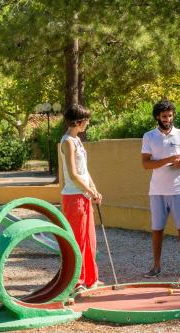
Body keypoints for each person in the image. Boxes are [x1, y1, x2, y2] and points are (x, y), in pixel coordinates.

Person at [141, 100, 180, 278]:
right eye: (164, 116)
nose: (168, 119)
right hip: (157, 190)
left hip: (178, 189)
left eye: (170, 116)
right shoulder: (149, 136)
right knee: (157, 229)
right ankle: (156, 266)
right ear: (158, 116)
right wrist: (168, 160)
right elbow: (146, 164)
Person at [60, 104, 103, 291]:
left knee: (89, 240)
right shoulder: (67, 142)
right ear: (78, 122)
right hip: (73, 197)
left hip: (83, 195)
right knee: (77, 240)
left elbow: (84, 171)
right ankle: (76, 282)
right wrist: (90, 191)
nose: (88, 123)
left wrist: (94, 189)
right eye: (86, 120)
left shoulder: (77, 141)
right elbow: (73, 174)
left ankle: (91, 279)